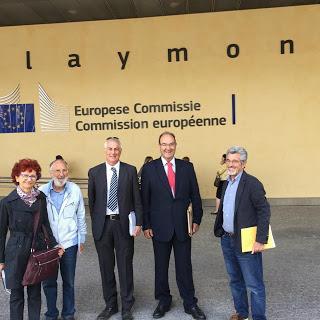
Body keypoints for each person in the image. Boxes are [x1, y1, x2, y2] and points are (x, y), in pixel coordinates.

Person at [141, 131, 206, 320]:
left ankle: (190, 303)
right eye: (164, 144)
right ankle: (163, 300)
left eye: (171, 144)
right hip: (159, 226)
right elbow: (145, 199)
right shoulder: (149, 169)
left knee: (184, 266)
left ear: (176, 145)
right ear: (159, 146)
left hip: (182, 226)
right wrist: (146, 224)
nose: (167, 147)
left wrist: (197, 219)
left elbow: (195, 195)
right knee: (160, 267)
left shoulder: (187, 167)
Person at [0, 158, 63, 320]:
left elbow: (45, 224)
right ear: (17, 177)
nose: (29, 179)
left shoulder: (40, 197)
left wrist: (55, 245)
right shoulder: (7, 202)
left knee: (35, 293)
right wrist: (1, 260)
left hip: (37, 249)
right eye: (25, 175)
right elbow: (1, 233)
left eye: (33, 176)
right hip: (15, 252)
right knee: (16, 294)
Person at [88, 137, 143, 320]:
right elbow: (93, 202)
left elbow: (137, 199)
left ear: (121, 150)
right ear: (105, 151)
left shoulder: (130, 170)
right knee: (106, 267)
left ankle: (127, 306)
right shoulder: (94, 172)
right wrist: (97, 222)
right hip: (102, 226)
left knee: (125, 266)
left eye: (116, 149)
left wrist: (138, 223)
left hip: (123, 225)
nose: (113, 152)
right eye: (110, 149)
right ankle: (110, 305)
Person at [214, 146, 271, 320]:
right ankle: (242, 314)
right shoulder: (226, 183)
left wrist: (260, 239)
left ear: (243, 164)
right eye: (228, 160)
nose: (231, 164)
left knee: (254, 284)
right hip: (227, 239)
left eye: (235, 161)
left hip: (247, 240)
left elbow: (264, 211)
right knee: (235, 281)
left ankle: (259, 317)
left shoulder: (253, 184)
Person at [39, 155, 87, 320]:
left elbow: (80, 215)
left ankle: (68, 314)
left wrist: (82, 239)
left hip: (70, 243)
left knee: (69, 282)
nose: (61, 174)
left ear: (68, 171)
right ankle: (51, 314)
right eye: (57, 171)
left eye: (64, 170)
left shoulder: (75, 190)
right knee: (49, 282)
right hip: (48, 246)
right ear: (51, 172)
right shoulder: (41, 192)